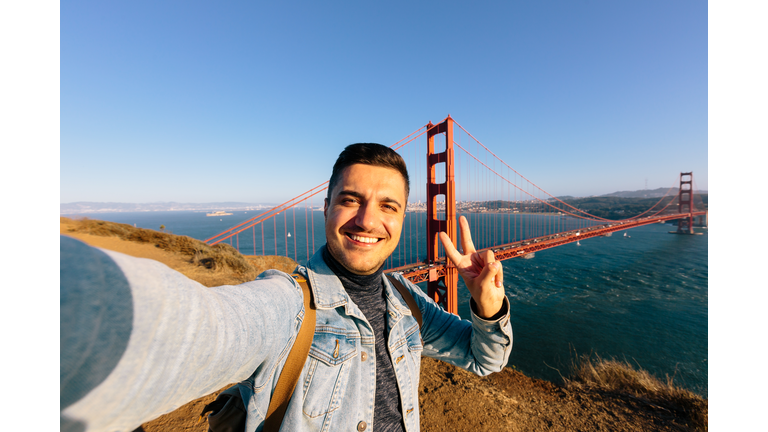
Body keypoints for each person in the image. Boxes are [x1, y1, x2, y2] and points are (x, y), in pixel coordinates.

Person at [60, 143, 513, 432]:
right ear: (326, 207)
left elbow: (483, 359)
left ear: (402, 217)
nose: (367, 220)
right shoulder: (285, 303)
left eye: (387, 206)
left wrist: (487, 306)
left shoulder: (405, 298)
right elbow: (197, 328)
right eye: (350, 199)